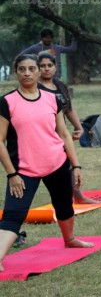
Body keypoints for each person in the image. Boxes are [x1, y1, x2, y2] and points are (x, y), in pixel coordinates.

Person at [0, 54, 92, 272]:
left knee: (64, 204)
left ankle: (69, 239)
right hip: (24, 171)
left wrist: (76, 165)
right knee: (14, 214)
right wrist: (12, 174)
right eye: (22, 69)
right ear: (16, 72)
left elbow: (64, 134)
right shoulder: (7, 102)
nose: (27, 73)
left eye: (32, 69)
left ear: (38, 72)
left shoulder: (53, 98)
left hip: (56, 162)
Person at [37, 52, 101, 205]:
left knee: (68, 163)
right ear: (37, 68)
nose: (46, 69)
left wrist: (79, 127)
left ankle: (77, 196)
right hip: (42, 135)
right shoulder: (35, 87)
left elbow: (68, 108)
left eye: (49, 66)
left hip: (60, 134)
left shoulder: (60, 85)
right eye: (42, 66)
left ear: (55, 67)